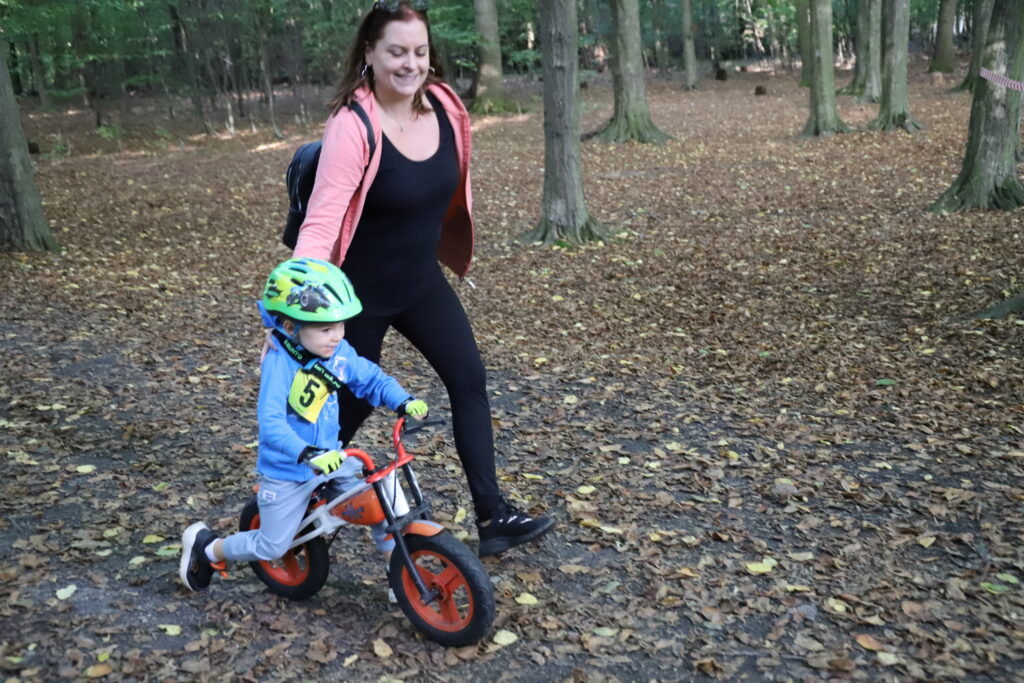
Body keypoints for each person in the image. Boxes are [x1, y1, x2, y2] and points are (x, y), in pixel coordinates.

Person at [291, 0, 554, 557]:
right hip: (357, 296)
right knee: (352, 406)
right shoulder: (352, 125)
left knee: (469, 378)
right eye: (396, 51)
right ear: (370, 53)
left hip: (419, 281)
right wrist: (298, 302)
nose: (410, 63)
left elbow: (451, 183)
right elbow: (321, 221)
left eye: (419, 51)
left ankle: (493, 516)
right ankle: (289, 506)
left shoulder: (444, 106)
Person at [179, 257, 429, 591]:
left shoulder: (337, 353)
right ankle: (209, 547)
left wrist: (402, 400)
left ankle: (398, 575)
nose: (337, 336)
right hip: (289, 471)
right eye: (326, 329)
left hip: (330, 459)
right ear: (289, 327)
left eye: (340, 326)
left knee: (383, 497)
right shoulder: (280, 365)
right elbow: (271, 424)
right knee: (273, 546)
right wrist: (307, 452)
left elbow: (370, 377)